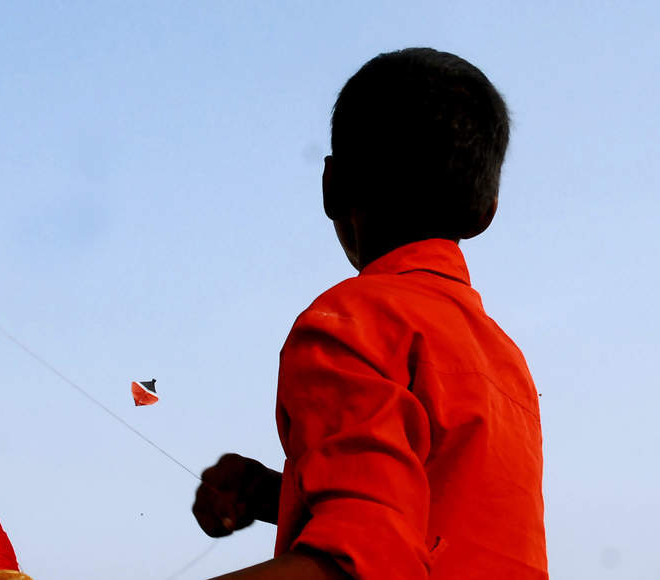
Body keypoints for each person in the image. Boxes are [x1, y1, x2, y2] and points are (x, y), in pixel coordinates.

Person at [192, 48, 547, 579]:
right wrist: (280, 494)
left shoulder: (351, 322)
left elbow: (367, 562)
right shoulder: (506, 361)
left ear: (331, 185)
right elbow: (436, 515)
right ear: (485, 213)